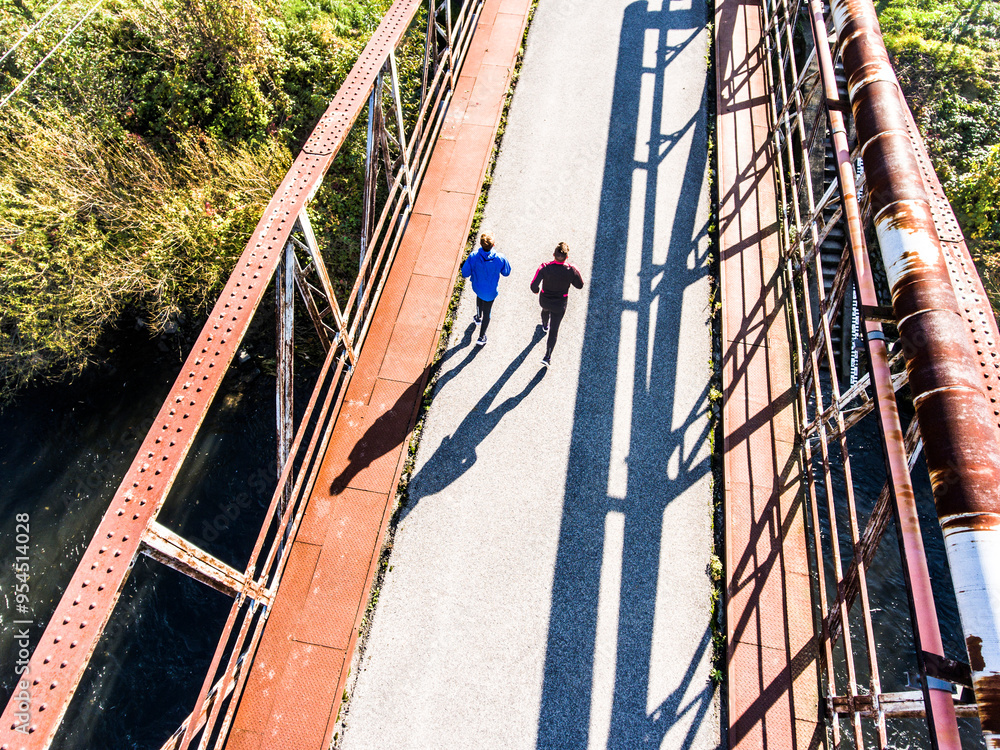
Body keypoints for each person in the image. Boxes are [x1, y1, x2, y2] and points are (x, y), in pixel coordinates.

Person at [530, 242, 585, 366]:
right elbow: (580, 285)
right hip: (560, 304)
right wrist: (576, 271)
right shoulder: (571, 270)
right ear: (567, 257)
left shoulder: (544, 267)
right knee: (554, 330)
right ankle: (547, 357)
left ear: (553, 254)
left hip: (545, 299)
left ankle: (544, 325)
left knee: (545, 310)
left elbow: (533, 285)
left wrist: (537, 291)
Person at [461, 232, 512, 346]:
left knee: (479, 299)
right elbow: (506, 272)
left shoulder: (473, 256)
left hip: (478, 287)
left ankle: (478, 317)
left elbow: (465, 273)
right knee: (487, 312)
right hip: (491, 291)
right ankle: (481, 336)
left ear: (480, 244)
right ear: (493, 245)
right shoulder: (500, 258)